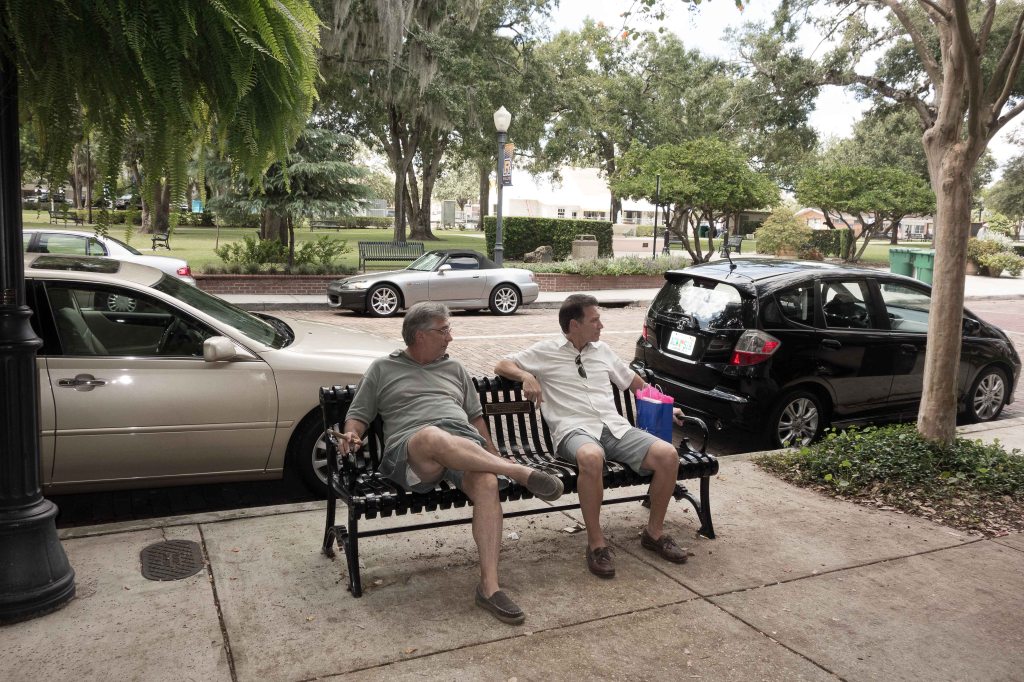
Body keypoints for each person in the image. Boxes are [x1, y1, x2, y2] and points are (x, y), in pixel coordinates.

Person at [338, 302, 563, 625]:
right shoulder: (382, 370)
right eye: (443, 330)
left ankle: (489, 586)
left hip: (463, 447)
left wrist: (492, 453)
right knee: (432, 436)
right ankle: (520, 473)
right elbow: (357, 417)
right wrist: (351, 436)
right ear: (419, 335)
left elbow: (475, 419)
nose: (450, 337)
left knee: (486, 482)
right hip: (414, 452)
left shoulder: (455, 368)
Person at [494, 293, 688, 579]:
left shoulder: (603, 351)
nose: (601, 325)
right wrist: (526, 377)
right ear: (574, 325)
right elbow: (502, 365)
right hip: (574, 430)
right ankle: (597, 544)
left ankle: (654, 533)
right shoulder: (546, 351)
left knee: (668, 455)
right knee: (591, 456)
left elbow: (635, 382)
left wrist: (664, 405)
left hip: (614, 427)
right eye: (595, 320)